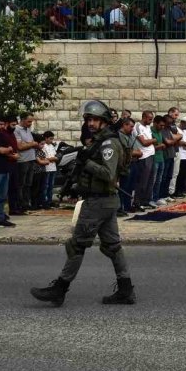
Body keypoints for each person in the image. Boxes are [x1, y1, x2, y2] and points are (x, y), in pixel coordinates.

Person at [31, 100, 135, 306]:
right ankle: (125, 290)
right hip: (104, 201)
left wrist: (86, 162)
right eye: (89, 119)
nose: (91, 123)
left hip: (98, 203)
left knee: (77, 245)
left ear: (105, 122)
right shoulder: (99, 141)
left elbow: (108, 174)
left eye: (95, 120)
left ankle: (60, 289)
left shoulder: (108, 144)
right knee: (113, 246)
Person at [15, 112, 42, 213]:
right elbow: (20, 146)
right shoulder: (17, 130)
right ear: (22, 120)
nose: (30, 124)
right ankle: (20, 204)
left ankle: (27, 203)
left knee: (28, 183)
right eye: (29, 121)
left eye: (31, 122)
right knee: (21, 184)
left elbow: (29, 144)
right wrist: (32, 144)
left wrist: (30, 144)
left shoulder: (28, 129)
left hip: (31, 159)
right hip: (23, 160)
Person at [37, 131, 59, 208]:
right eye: (50, 139)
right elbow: (43, 157)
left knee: (51, 186)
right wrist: (52, 159)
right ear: (46, 138)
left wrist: (55, 158)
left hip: (53, 168)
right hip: (46, 168)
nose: (51, 140)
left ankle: (49, 201)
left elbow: (55, 155)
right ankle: (44, 201)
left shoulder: (52, 146)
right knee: (45, 186)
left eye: (52, 139)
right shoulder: (43, 146)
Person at [172, 118, 186, 199]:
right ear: (182, 123)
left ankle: (181, 190)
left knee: (183, 174)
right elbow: (177, 141)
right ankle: (176, 191)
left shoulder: (185, 131)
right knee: (178, 174)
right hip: (180, 155)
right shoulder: (177, 130)